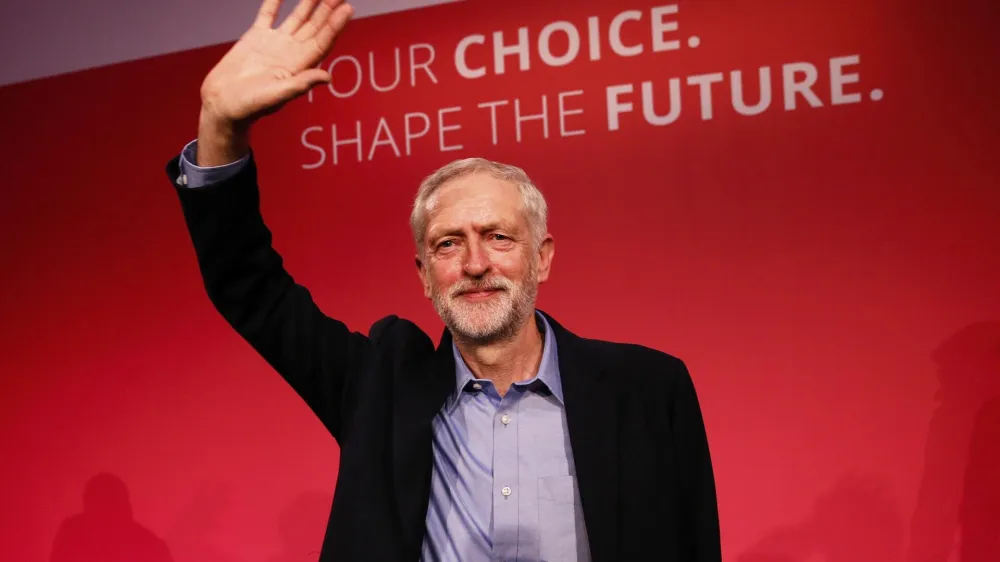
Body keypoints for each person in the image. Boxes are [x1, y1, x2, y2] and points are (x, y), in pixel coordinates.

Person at [164, 0, 722, 560]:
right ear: (425, 276)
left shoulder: (649, 390)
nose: (476, 263)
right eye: (448, 244)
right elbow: (250, 286)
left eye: (499, 237)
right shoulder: (378, 388)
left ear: (543, 258)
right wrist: (220, 125)